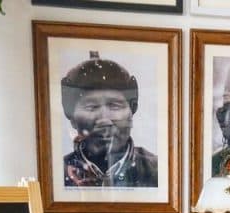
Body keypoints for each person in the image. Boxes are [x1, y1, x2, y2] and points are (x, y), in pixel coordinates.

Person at [61, 51, 159, 188]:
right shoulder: (58, 173)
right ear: (71, 117)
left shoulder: (156, 171)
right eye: (91, 107)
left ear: (132, 110)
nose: (105, 120)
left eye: (114, 105)